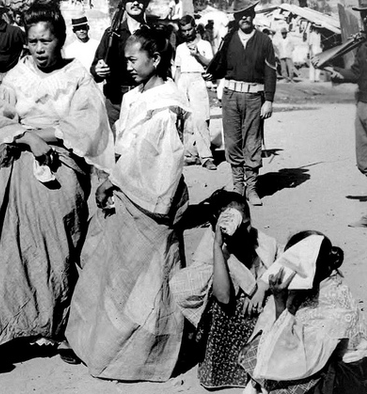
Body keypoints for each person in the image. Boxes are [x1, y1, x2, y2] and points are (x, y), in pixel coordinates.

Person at [0, 4, 114, 357]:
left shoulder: (77, 74)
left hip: (63, 167)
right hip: (21, 167)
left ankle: (64, 326)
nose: (38, 48)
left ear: (59, 40)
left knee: (63, 242)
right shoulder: (16, 77)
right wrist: (26, 138)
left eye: (45, 40)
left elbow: (87, 123)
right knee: (16, 244)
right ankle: (20, 325)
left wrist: (42, 135)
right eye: (33, 41)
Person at [66, 27, 190, 382]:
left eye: (135, 59)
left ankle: (144, 356)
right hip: (126, 188)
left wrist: (113, 180)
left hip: (148, 194)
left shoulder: (166, 103)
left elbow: (153, 158)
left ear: (156, 59)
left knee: (149, 278)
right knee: (114, 272)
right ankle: (105, 347)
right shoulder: (136, 95)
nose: (130, 66)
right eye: (127, 60)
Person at [170, 189, 278, 390]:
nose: (245, 231)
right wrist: (218, 247)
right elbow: (224, 296)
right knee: (222, 307)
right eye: (239, 227)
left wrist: (262, 286)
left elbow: (281, 265)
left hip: (257, 310)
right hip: (228, 317)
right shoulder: (210, 250)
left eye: (247, 224)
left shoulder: (259, 240)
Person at [239, 230, 367, 394]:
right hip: (308, 351)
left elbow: (297, 352)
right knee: (260, 344)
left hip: (334, 368)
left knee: (284, 384)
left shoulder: (334, 303)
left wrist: (280, 302)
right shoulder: (316, 281)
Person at [209, 0, 276, 206]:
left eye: (247, 13)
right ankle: (238, 186)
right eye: (240, 15)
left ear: (253, 15)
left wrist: (269, 100)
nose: (244, 17)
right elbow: (218, 65)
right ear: (236, 18)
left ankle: (252, 188)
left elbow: (270, 72)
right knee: (232, 140)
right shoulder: (228, 39)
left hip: (255, 98)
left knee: (252, 141)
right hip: (230, 95)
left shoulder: (264, 41)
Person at [91, 0, 159, 126]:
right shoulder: (111, 34)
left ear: (146, 4)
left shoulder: (153, 35)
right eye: (131, 0)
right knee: (113, 145)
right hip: (116, 102)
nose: (135, 3)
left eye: (140, 0)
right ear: (124, 3)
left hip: (144, 99)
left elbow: (162, 70)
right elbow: (96, 67)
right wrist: (98, 70)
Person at [328, 4, 367, 227]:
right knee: (364, 161)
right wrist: (338, 73)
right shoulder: (363, 47)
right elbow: (356, 73)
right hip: (362, 106)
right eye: (365, 15)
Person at [175, 15, 216, 170]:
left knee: (201, 118)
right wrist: (176, 90)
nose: (187, 33)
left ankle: (206, 156)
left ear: (195, 27)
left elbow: (211, 65)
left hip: (198, 80)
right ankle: (190, 154)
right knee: (185, 119)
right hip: (183, 80)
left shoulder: (205, 44)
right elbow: (178, 69)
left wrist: (198, 55)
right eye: (183, 30)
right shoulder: (180, 48)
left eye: (189, 29)